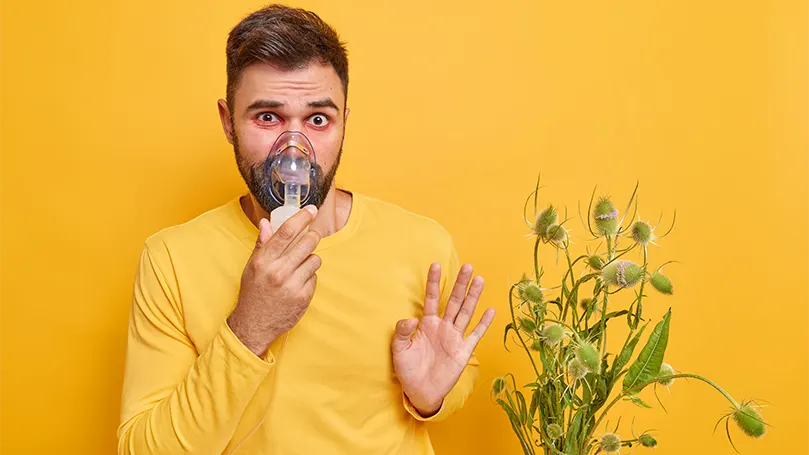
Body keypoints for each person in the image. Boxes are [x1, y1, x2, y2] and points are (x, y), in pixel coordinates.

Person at [117, 5, 495, 454]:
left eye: (318, 119)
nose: (294, 149)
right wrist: (249, 328)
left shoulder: (422, 245)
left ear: (343, 124)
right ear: (227, 122)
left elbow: (453, 373)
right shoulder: (171, 261)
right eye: (267, 117)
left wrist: (432, 397)